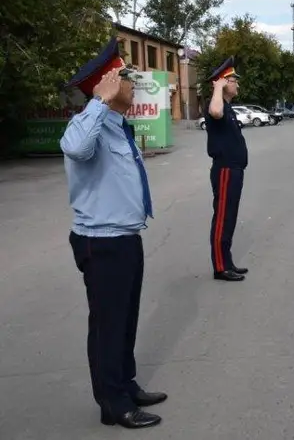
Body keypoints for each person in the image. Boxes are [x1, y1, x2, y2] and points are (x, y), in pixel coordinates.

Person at [60, 37, 166, 429]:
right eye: (124, 77)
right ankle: (113, 403)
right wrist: (98, 102)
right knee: (108, 325)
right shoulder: (87, 125)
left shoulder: (117, 127)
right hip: (101, 241)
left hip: (125, 238)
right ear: (106, 84)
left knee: (125, 320)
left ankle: (126, 384)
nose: (132, 84)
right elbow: (74, 148)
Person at [205, 57, 249, 281]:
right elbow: (215, 112)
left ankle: (227, 261)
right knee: (223, 218)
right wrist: (217, 87)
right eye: (233, 80)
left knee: (230, 217)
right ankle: (221, 267)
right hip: (225, 170)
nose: (237, 84)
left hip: (234, 170)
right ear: (222, 83)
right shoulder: (216, 105)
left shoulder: (228, 107)